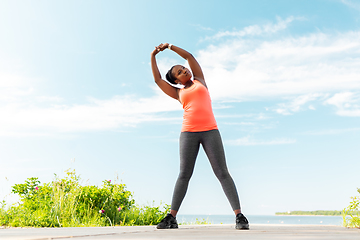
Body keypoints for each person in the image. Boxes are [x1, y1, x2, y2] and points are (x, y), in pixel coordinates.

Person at [150, 43, 249, 230]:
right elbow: (157, 80)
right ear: (177, 81)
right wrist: (153, 55)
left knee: (222, 172)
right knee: (184, 174)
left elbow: (189, 57)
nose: (184, 70)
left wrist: (170, 47)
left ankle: (239, 216)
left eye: (183, 68)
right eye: (179, 72)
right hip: (188, 133)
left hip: (211, 131)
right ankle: (171, 217)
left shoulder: (200, 81)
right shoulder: (178, 93)